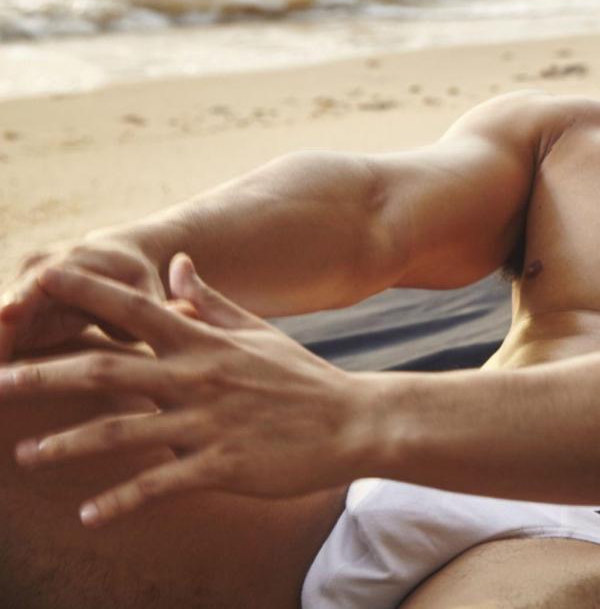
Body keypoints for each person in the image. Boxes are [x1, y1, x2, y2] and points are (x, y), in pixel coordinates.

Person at [2, 87, 600, 607]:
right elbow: (374, 210)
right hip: (398, 471)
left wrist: (354, 415)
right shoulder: (567, 135)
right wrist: (148, 247)